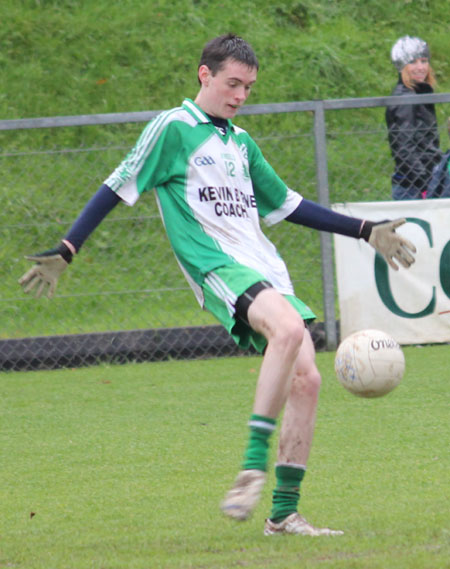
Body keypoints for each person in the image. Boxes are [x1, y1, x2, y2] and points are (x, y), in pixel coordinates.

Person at [19, 34, 417, 536]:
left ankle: (283, 514)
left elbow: (289, 204)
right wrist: (67, 249)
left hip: (264, 268)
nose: (241, 95)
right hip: (218, 267)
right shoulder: (174, 128)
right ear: (205, 75)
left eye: (249, 87)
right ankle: (251, 466)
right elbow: (117, 185)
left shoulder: (240, 142)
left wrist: (365, 231)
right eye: (233, 83)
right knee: (289, 330)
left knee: (308, 381)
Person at [385, 35, 449, 200]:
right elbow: (403, 147)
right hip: (413, 186)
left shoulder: (420, 91)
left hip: (428, 178)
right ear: (402, 66)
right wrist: (426, 183)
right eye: (413, 62)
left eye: (423, 61)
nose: (420, 67)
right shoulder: (404, 98)